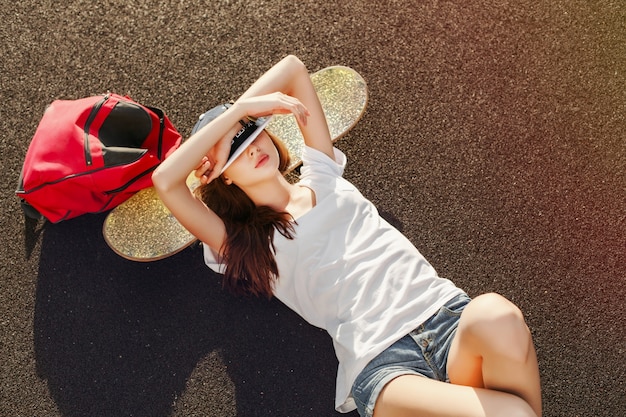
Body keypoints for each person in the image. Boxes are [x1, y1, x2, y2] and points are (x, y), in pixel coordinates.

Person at [152, 55, 542, 417]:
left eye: (253, 133)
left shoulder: (322, 174)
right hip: (386, 363)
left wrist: (241, 114)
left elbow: (292, 69)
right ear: (223, 175)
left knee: (498, 314)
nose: (252, 146)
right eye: (235, 151)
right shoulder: (244, 244)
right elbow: (166, 181)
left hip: (447, 320)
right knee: (517, 413)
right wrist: (236, 115)